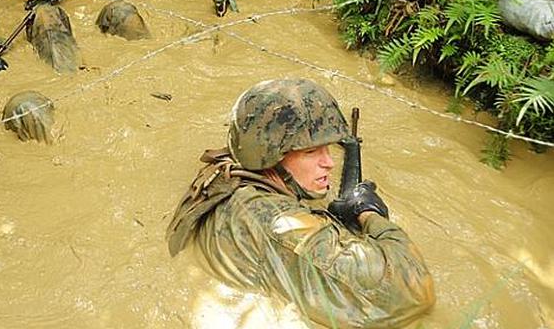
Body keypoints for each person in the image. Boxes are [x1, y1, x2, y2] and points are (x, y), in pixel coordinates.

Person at [166, 78, 435, 328]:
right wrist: (369, 213)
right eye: (310, 152)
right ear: (271, 157)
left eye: (328, 149)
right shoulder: (279, 224)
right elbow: (413, 293)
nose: (328, 162)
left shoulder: (229, 174)